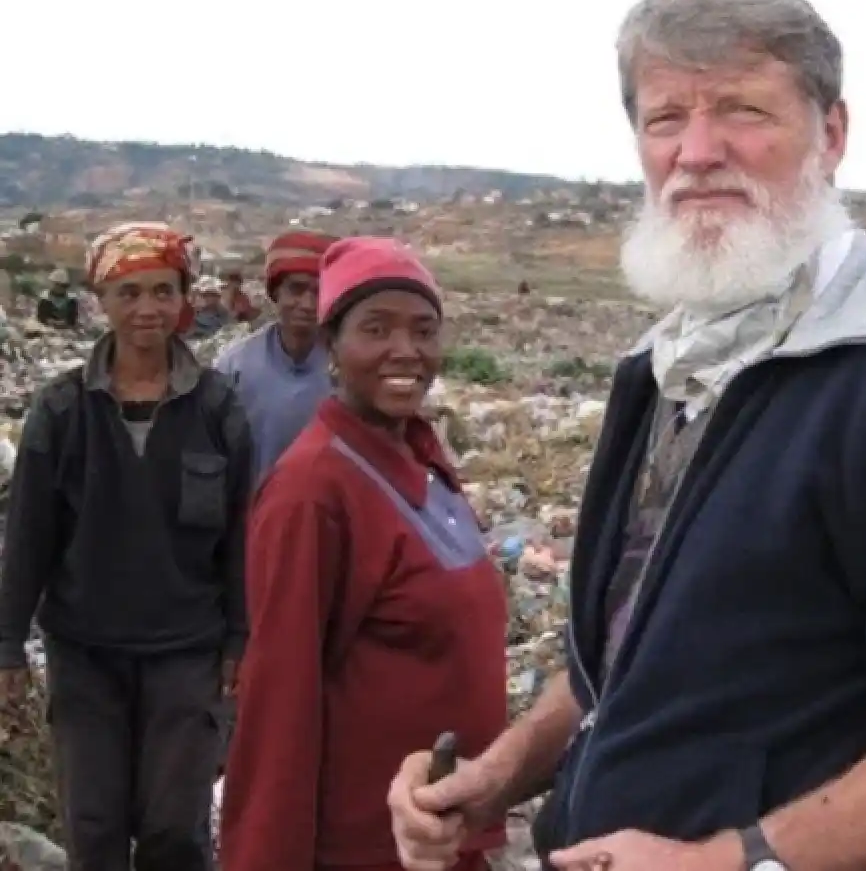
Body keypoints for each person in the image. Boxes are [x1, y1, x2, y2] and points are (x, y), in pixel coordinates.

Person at [387, 0, 866, 871]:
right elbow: (624, 650)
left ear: (830, 135)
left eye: (742, 110)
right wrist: (497, 774)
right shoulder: (666, 368)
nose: (697, 152)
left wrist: (731, 860)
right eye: (665, 118)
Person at [219, 237, 508, 871]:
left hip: (444, 833)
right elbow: (280, 697)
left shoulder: (422, 456)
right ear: (332, 345)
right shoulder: (312, 491)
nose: (406, 351)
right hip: (369, 843)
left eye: (424, 330)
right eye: (376, 329)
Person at [0, 221, 254, 871]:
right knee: (94, 826)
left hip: (186, 652)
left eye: (163, 291)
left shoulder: (217, 408)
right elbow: (28, 536)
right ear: (102, 301)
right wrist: (7, 648)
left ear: (182, 298)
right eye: (130, 292)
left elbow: (240, 535)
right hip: (85, 652)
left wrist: (238, 640)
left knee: (176, 826)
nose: (147, 309)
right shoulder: (62, 412)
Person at [215, 230, 337, 481]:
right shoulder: (235, 365)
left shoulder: (349, 369)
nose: (307, 303)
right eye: (296, 290)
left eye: (318, 292)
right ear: (276, 293)